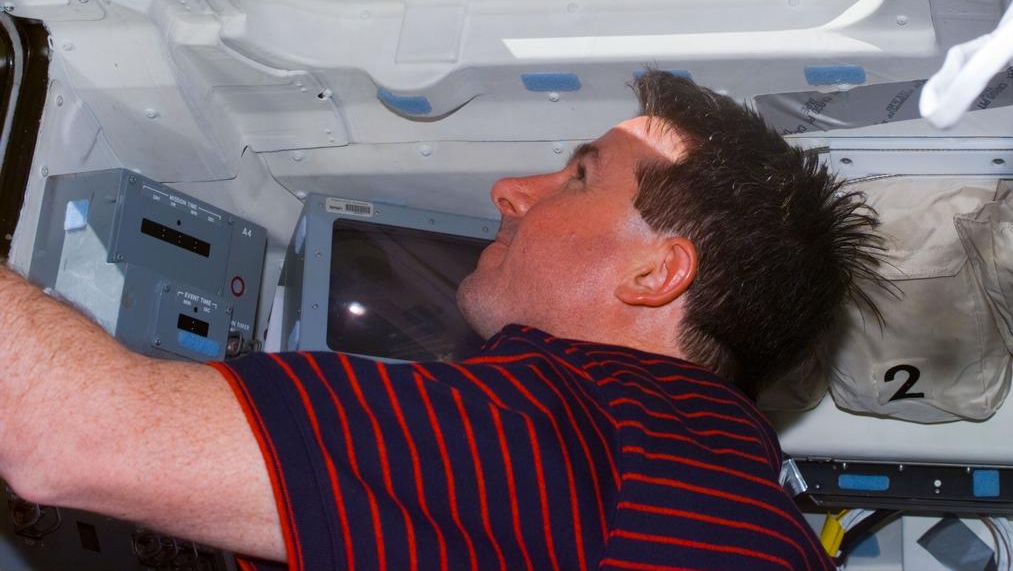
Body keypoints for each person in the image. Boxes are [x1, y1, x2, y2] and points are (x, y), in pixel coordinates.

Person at [0, 71, 886, 569]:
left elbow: (72, 435)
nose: (512, 191)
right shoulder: (762, 524)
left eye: (578, 177)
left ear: (656, 272)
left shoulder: (567, 437)